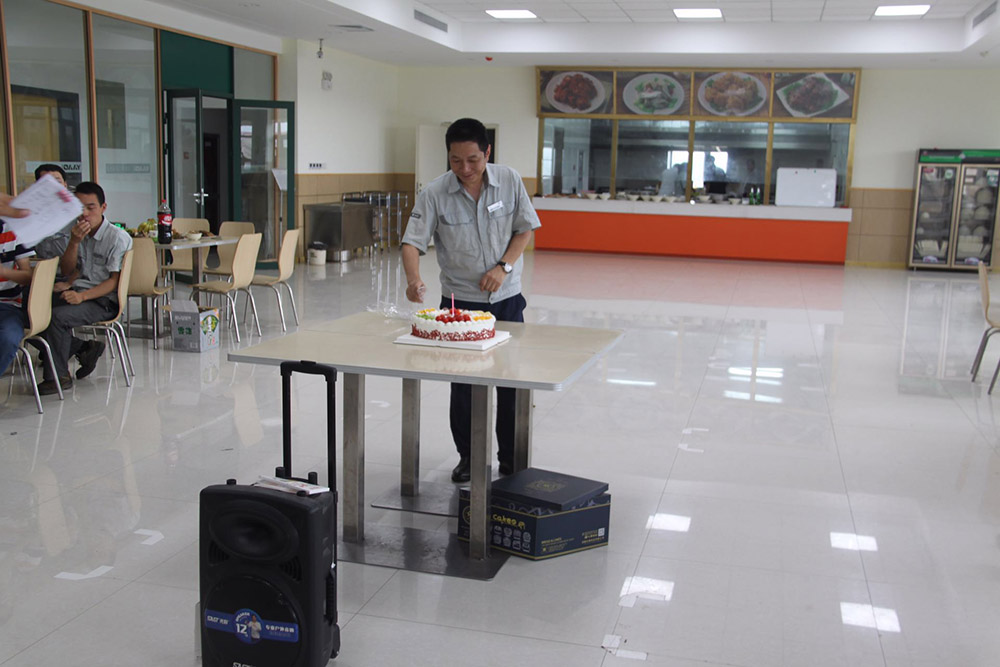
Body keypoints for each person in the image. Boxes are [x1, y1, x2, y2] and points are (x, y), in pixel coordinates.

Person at [401, 118, 541, 483]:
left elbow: (524, 228)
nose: (465, 168)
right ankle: (469, 456)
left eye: (473, 160)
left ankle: (511, 458)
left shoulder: (509, 180)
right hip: (459, 305)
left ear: (487, 152)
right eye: (456, 160)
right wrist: (413, 280)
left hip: (506, 300)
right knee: (463, 385)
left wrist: (503, 267)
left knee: (510, 382)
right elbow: (412, 242)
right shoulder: (435, 192)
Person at [35, 182, 131, 395]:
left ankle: (58, 377)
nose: (85, 214)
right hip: (80, 291)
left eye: (91, 207)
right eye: (79, 208)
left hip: (103, 301)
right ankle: (83, 348)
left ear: (103, 207)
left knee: (56, 318)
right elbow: (68, 270)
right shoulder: (78, 233)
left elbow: (113, 282)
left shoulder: (117, 237)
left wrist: (82, 296)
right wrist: (74, 243)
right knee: (31, 307)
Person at [0, 201, 34, 377]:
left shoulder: (14, 232)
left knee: (8, 337)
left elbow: (28, 276)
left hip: (8, 305)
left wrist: (4, 272)